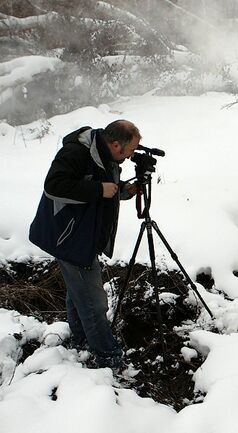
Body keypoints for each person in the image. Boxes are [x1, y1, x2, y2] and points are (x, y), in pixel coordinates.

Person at [29, 119, 141, 369]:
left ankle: (80, 341)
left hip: (84, 235)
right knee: (93, 301)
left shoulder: (107, 155)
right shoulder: (76, 153)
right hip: (70, 238)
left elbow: (104, 188)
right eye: (130, 150)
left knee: (79, 292)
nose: (131, 155)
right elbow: (54, 187)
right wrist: (99, 190)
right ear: (115, 143)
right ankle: (108, 356)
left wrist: (124, 190)